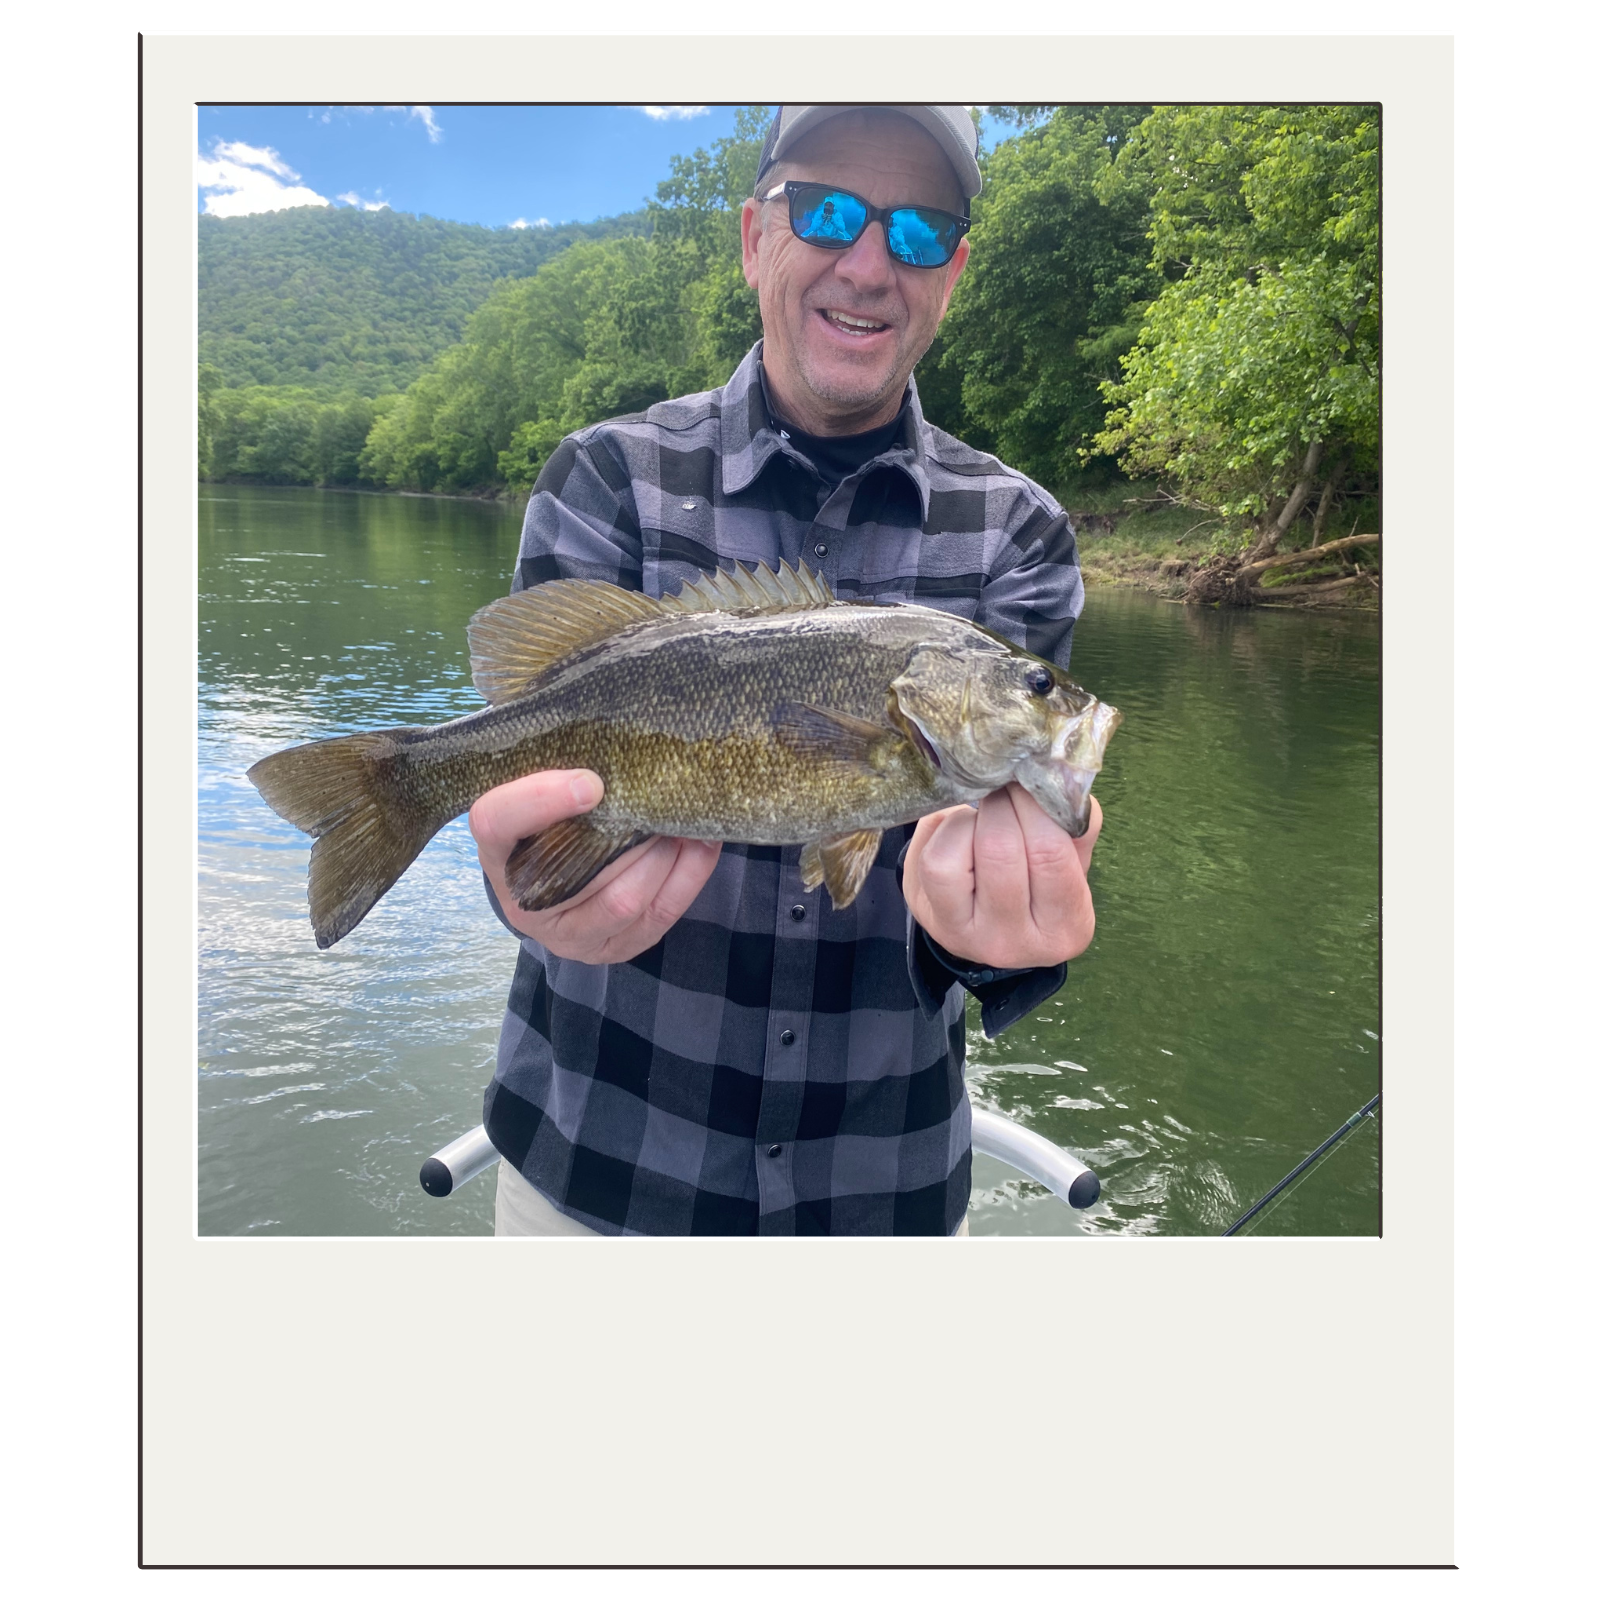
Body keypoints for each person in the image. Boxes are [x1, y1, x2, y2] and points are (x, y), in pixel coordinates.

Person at [469, 105, 1102, 1236]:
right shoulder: (605, 478)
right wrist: (529, 892)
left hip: (878, 1197)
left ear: (951, 273)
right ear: (755, 236)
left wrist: (999, 947)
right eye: (825, 213)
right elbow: (529, 812)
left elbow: (983, 890)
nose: (867, 263)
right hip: (593, 1171)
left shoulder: (1019, 534)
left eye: (916, 233)